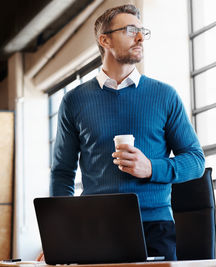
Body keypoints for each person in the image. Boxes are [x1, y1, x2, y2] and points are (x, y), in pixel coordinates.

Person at [45, 4, 205, 261]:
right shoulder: (74, 101)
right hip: (94, 228)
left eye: (142, 31)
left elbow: (196, 161)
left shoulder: (164, 96)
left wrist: (151, 168)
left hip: (155, 229)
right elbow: (63, 173)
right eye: (131, 31)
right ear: (104, 39)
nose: (140, 38)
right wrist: (59, 232)